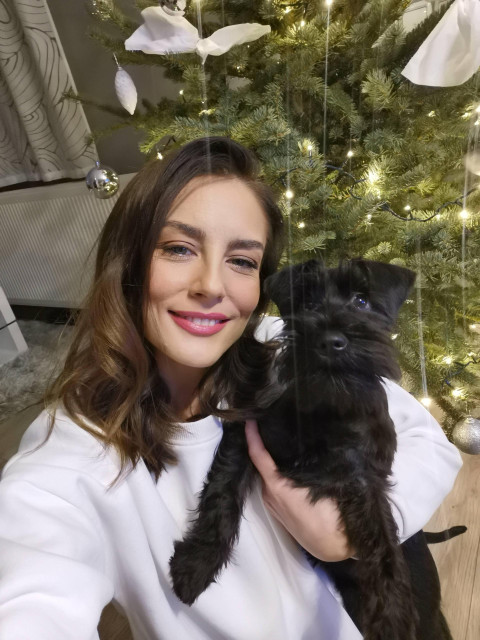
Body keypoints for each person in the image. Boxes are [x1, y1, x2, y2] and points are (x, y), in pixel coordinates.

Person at [0, 137, 462, 640]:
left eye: (242, 260)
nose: (212, 286)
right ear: (126, 261)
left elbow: (430, 442)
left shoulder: (281, 344)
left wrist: (347, 536)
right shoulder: (70, 457)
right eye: (179, 248)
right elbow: (31, 585)